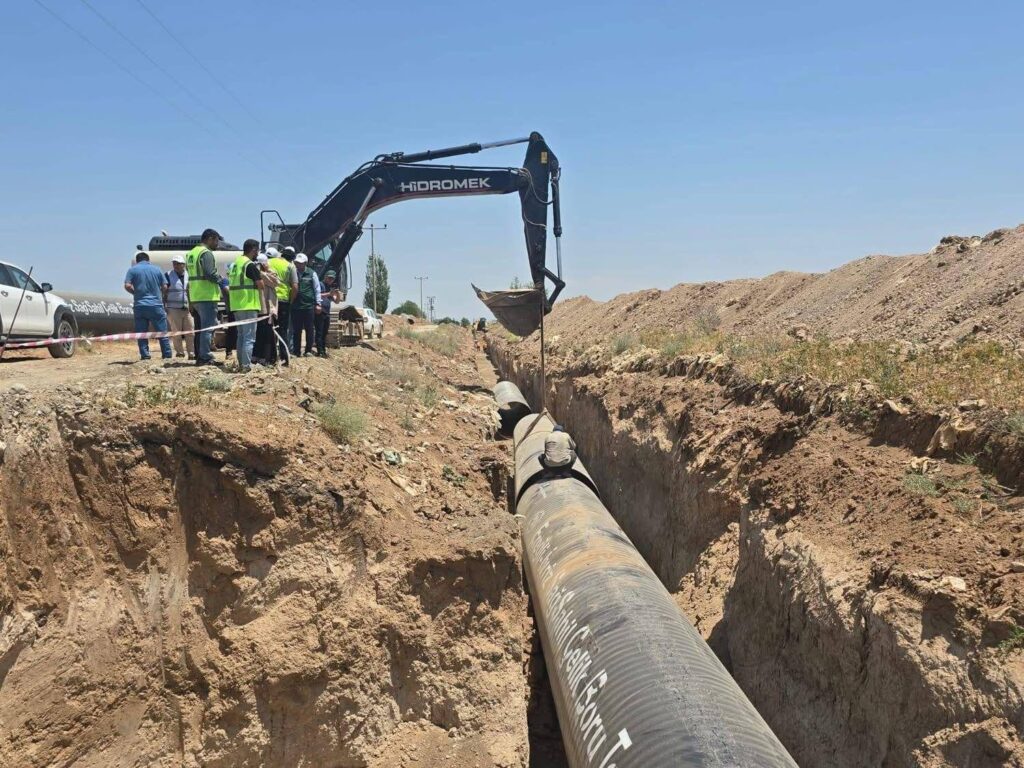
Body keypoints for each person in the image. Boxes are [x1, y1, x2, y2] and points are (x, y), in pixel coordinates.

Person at [123, 251, 172, 361]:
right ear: (148, 260)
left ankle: (145, 355)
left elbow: (127, 285)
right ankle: (167, 355)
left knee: (141, 333)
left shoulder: (132, 270)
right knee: (162, 332)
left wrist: (135, 293)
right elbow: (165, 286)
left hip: (140, 305)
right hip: (156, 305)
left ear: (137, 261)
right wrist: (160, 295)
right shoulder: (157, 269)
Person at [227, 239, 265, 373]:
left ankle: (241, 364)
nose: (258, 253)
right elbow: (261, 285)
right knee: (249, 338)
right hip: (248, 304)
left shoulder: (235, 264)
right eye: (257, 250)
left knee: (241, 336)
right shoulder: (249, 265)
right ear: (253, 250)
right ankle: (246, 366)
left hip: (237, 305)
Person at [186, 228, 223, 366]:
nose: (217, 244)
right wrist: (221, 280)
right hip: (206, 296)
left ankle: (200, 355)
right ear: (210, 239)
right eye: (216, 241)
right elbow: (209, 273)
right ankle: (205, 357)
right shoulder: (206, 253)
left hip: (196, 296)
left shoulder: (191, 253)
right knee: (208, 329)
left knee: (200, 329)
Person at [267, 246, 297, 365]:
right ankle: (284, 358)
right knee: (282, 330)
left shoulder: (269, 262)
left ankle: (270, 358)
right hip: (283, 300)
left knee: (269, 329)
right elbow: (295, 286)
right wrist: (291, 300)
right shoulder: (290, 266)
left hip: (269, 300)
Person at [291, 253, 321, 357]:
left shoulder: (312, 273)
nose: (298, 265)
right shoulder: (293, 272)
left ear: (305, 263)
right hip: (296, 306)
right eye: (297, 263)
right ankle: (296, 351)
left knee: (309, 329)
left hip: (309, 306)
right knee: (297, 330)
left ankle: (308, 350)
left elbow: (317, 289)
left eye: (301, 263)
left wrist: (318, 303)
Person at [164, 255, 194, 358]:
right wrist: (164, 305)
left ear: (183, 265)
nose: (175, 265)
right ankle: (180, 352)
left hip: (187, 308)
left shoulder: (189, 275)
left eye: (178, 263)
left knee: (190, 331)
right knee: (176, 332)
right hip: (173, 308)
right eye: (174, 263)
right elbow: (164, 291)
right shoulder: (168, 275)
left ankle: (191, 352)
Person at [253, 252, 280, 365]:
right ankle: (258, 356)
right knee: (260, 334)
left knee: (267, 334)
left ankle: (267, 357)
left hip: (267, 308)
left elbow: (276, 282)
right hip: (260, 307)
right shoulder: (255, 273)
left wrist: (263, 272)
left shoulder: (269, 273)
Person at [315, 270, 343, 357]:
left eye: (332, 279)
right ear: (325, 277)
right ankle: (320, 351)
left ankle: (323, 350)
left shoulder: (330, 288)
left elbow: (337, 301)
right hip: (320, 311)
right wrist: (329, 294)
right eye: (329, 278)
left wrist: (337, 294)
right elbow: (317, 295)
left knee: (325, 332)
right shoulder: (320, 284)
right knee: (319, 332)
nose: (330, 280)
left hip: (327, 313)